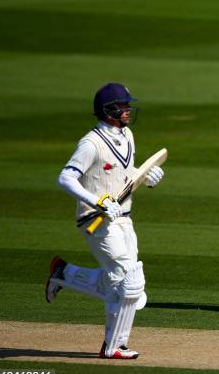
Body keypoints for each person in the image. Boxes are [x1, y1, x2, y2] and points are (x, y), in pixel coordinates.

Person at [45, 83, 164, 358]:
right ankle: (115, 347)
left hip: (124, 217)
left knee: (119, 284)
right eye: (122, 105)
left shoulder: (128, 135)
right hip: (96, 220)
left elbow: (124, 174)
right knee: (129, 282)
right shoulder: (91, 143)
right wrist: (97, 201)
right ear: (108, 110)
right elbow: (65, 178)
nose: (127, 110)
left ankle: (64, 273)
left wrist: (147, 177)